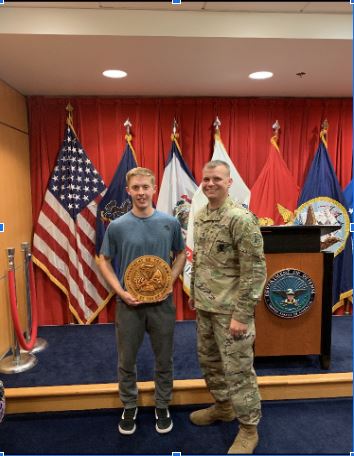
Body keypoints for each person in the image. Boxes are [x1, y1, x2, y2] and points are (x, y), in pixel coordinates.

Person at [98, 167, 186, 436]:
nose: (141, 192)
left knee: (164, 359)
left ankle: (162, 404)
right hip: (128, 305)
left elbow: (181, 254)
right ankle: (129, 405)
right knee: (126, 360)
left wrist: (169, 282)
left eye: (145, 187)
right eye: (135, 188)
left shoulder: (170, 223)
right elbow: (103, 260)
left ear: (154, 188)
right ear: (128, 191)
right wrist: (119, 292)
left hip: (161, 305)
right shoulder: (117, 226)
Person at [188, 160, 267, 454]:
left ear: (229, 182)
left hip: (232, 313)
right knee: (209, 362)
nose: (210, 183)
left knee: (238, 371)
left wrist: (242, 314)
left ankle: (248, 429)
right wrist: (195, 291)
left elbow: (255, 270)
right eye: (206, 179)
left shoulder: (240, 219)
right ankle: (223, 407)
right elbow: (200, 258)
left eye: (216, 179)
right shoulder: (199, 216)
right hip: (206, 307)